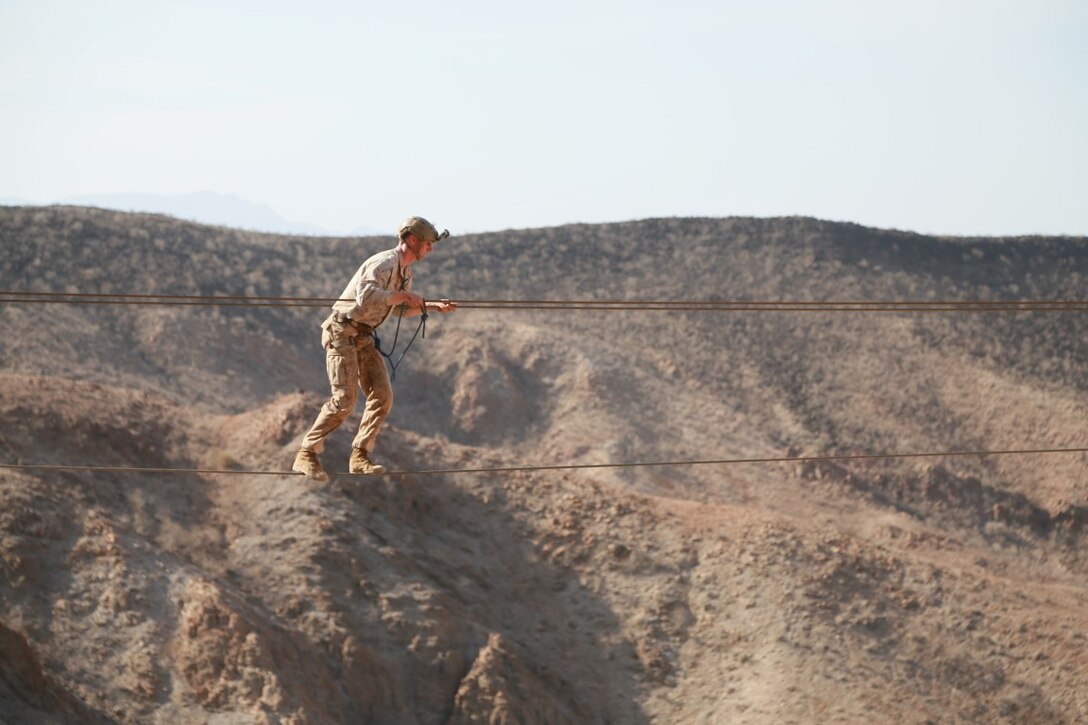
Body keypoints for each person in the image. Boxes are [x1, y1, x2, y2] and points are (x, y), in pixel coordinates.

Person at [292, 216, 457, 481]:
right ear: (412, 240)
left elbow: (399, 311)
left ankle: (360, 456)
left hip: (363, 337)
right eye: (427, 243)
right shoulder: (383, 264)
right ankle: (306, 453)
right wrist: (404, 296)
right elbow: (366, 296)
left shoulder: (405, 275)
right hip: (342, 332)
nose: (430, 249)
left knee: (382, 395)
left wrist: (432, 305)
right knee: (344, 401)